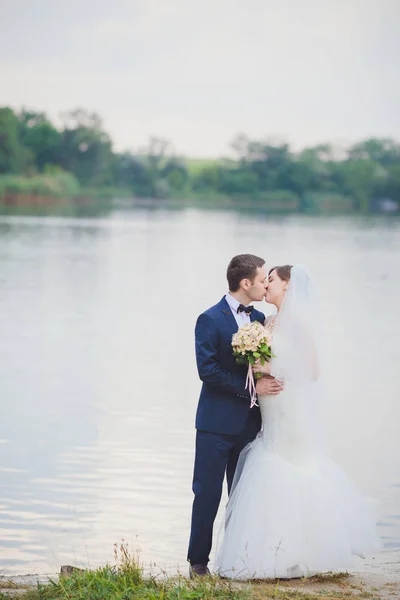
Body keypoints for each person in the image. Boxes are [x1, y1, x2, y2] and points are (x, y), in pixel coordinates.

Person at [214, 265, 380, 579]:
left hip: (288, 407)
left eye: (272, 280)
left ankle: (297, 552)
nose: (266, 285)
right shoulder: (269, 322)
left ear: (287, 285)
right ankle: (276, 552)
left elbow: (313, 370)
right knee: (271, 465)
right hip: (271, 408)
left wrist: (270, 367)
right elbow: (263, 364)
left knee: (288, 467)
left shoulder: (300, 325)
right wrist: (256, 363)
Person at [187, 254, 283, 577]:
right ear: (245, 283)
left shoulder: (261, 320)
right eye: (260, 280)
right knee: (207, 493)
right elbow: (208, 371)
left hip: (250, 426)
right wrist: (252, 389)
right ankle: (198, 563)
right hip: (215, 425)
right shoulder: (209, 319)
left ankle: (236, 561)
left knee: (242, 496)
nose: (264, 285)